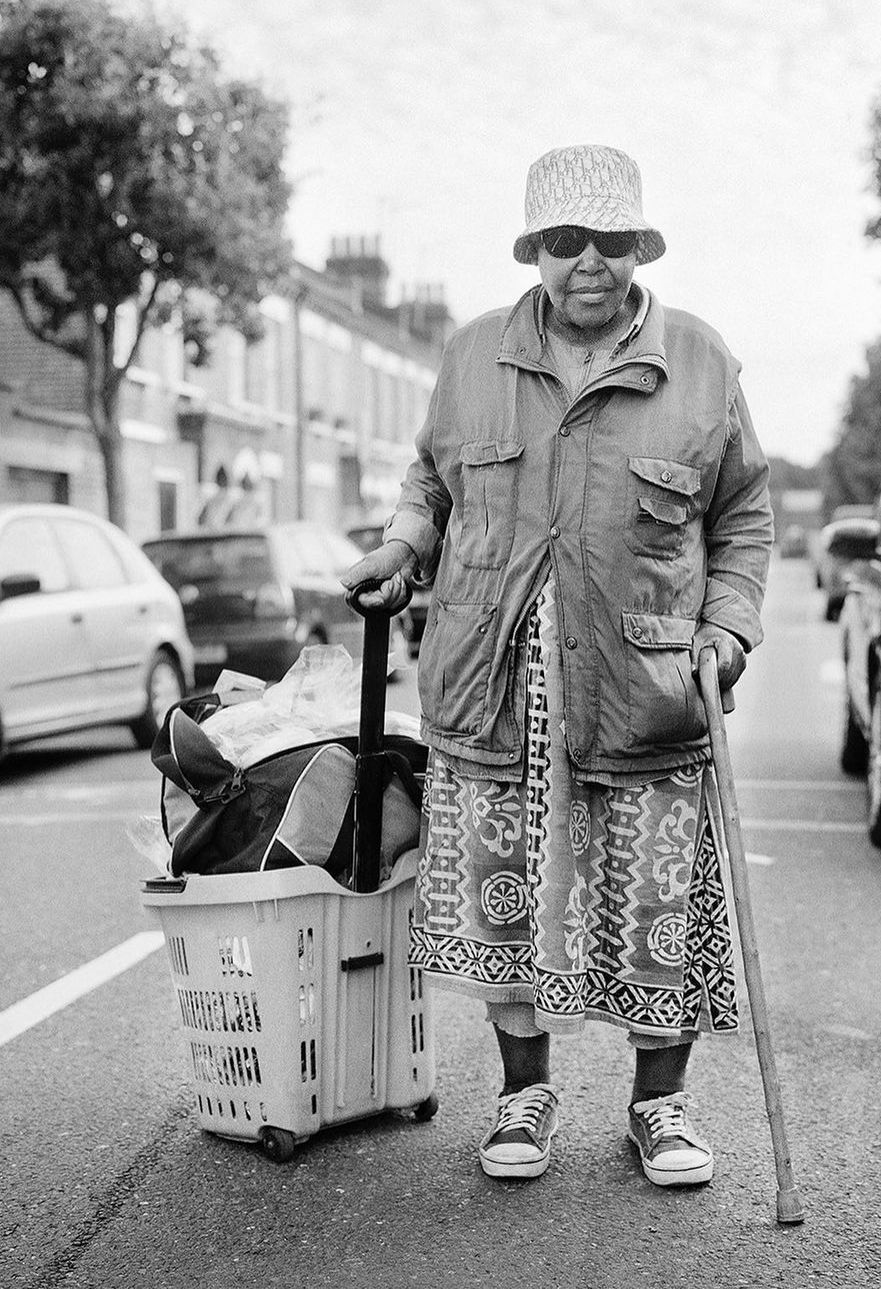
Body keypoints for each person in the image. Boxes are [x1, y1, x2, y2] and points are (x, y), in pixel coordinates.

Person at [342, 144, 773, 1187]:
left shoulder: (702, 361)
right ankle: (523, 1092)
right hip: (499, 684)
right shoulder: (473, 353)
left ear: (637, 248)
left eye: (611, 239)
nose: (590, 260)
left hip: (648, 687)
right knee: (506, 902)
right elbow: (429, 481)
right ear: (535, 249)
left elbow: (744, 514)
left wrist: (730, 624)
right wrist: (402, 549)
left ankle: (658, 1106)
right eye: (567, 240)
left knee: (655, 906)